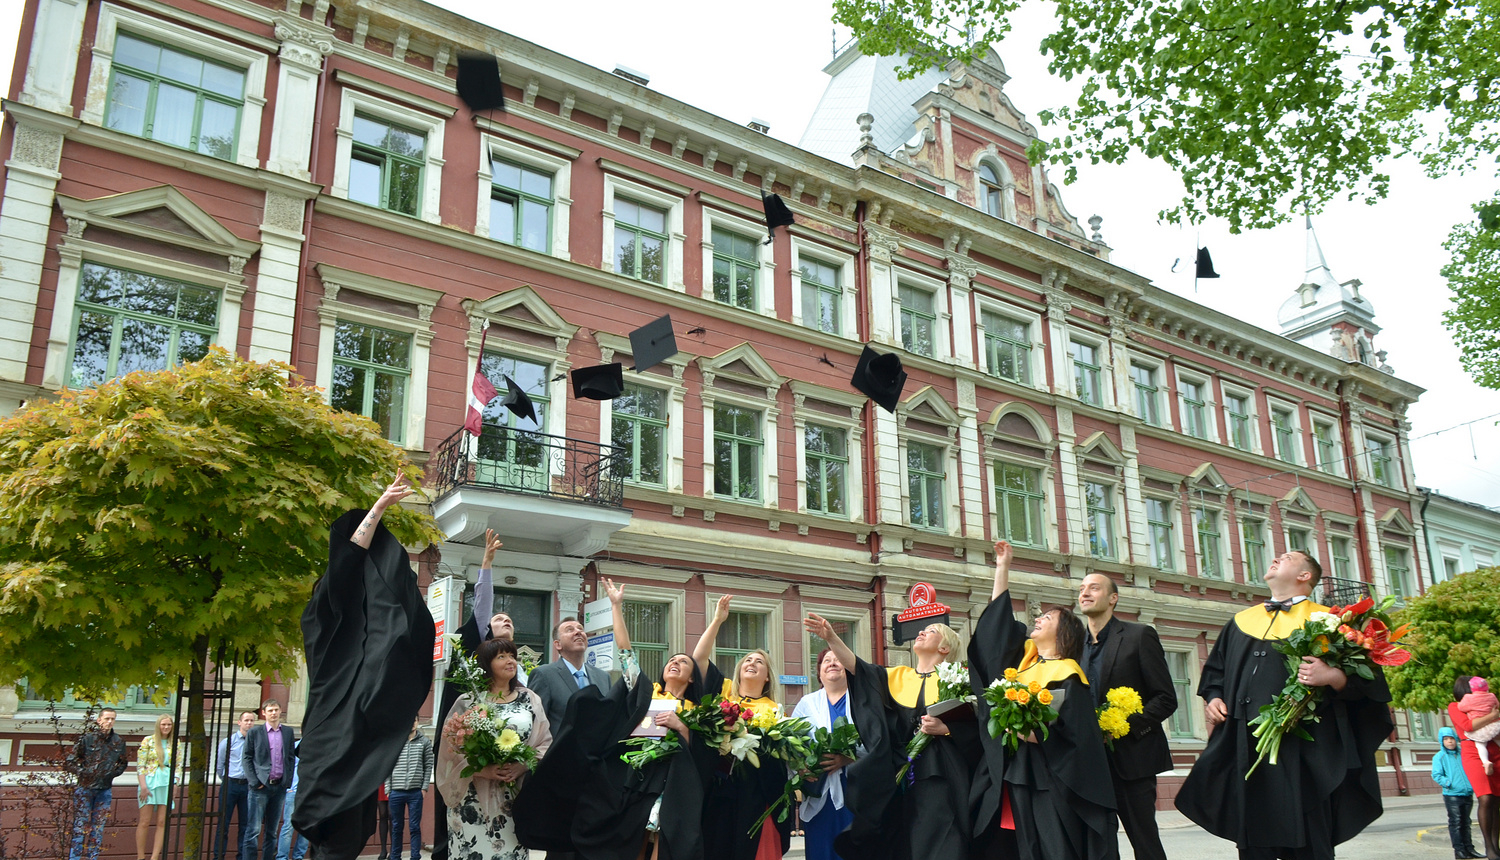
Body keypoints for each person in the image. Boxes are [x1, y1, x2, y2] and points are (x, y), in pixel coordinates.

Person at [1176, 550, 1393, 859]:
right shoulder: (1240, 622)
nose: (1275, 558)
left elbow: (1369, 685)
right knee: (1253, 836)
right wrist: (1214, 698)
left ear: (1305, 576)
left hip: (1306, 751)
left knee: (1308, 834)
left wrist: (1332, 676)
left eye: (1287, 556)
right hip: (1247, 745)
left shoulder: (1335, 623)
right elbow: (1216, 672)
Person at [515, 577, 713, 860]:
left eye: (683, 662)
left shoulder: (698, 711)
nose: (674, 663)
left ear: (692, 676)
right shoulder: (645, 695)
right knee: (630, 843)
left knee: (664, 841)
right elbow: (626, 655)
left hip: (672, 786)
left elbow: (703, 755)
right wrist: (616, 607)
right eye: (671, 660)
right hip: (632, 782)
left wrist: (681, 725)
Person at [293, 472, 435, 860]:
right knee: (334, 838)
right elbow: (347, 562)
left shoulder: (370, 641)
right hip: (330, 744)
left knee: (354, 834)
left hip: (358, 748)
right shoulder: (326, 619)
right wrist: (379, 507)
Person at [969, 540, 1118, 860]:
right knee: (1023, 849)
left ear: (1065, 632)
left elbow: (1078, 737)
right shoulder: (1023, 668)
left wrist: (1036, 736)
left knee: (1054, 848)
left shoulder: (1068, 673)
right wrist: (1002, 568)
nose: (1037, 619)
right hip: (1015, 773)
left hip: (1052, 779)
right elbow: (996, 628)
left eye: (1047, 618)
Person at [802, 608, 980, 860]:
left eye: (930, 631)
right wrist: (830, 637)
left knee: (938, 841)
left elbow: (978, 729)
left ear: (944, 648)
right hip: (897, 775)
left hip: (941, 775)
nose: (920, 631)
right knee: (898, 842)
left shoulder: (960, 681)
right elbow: (857, 668)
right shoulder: (897, 676)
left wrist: (947, 729)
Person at [433, 529, 527, 860]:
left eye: (510, 621)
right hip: (472, 770)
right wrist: (486, 564)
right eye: (498, 620)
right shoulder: (474, 653)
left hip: (509, 779)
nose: (504, 621)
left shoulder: (524, 676)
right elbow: (482, 611)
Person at [1077, 572, 1177, 860]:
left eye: (1094, 588)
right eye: (1082, 589)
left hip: (1133, 760)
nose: (1085, 593)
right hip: (1089, 763)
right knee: (1098, 845)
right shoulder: (1072, 648)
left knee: (1144, 843)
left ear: (1113, 598)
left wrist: (1122, 727)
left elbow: (1166, 698)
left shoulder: (1139, 635)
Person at [436, 637, 552, 860]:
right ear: (486, 665)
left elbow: (545, 742)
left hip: (513, 798)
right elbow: (449, 750)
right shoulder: (469, 701)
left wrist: (523, 765)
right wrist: (482, 770)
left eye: (512, 656)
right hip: (471, 800)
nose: (510, 661)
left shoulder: (530, 699)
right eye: (501, 656)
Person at [698, 595, 792, 860]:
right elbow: (699, 659)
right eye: (748, 661)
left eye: (759, 662)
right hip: (721, 789)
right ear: (739, 671)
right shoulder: (725, 691)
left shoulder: (775, 709)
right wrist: (717, 620)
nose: (752, 663)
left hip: (756, 793)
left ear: (766, 677)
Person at [789, 648, 858, 860]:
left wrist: (848, 758)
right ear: (819, 672)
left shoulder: (861, 701)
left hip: (855, 792)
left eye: (838, 660)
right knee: (821, 851)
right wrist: (801, 768)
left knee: (854, 849)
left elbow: (877, 741)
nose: (832, 663)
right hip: (819, 793)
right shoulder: (806, 704)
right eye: (826, 660)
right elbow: (791, 745)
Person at [66, 707, 129, 860]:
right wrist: (84, 773)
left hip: (104, 790)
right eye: (107, 718)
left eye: (112, 719)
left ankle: (92, 858)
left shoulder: (118, 742)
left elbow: (123, 764)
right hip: (85, 788)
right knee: (80, 827)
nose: (109, 722)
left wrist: (112, 774)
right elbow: (70, 762)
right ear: (99, 720)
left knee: (98, 829)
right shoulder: (87, 739)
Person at [529, 615, 611, 731]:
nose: (578, 632)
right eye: (570, 630)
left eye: (580, 629)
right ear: (558, 644)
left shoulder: (603, 677)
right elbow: (536, 723)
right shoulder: (544, 675)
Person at [1450, 675, 1500, 860]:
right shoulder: (1454, 706)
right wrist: (1492, 716)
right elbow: (1467, 726)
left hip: (1494, 749)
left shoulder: (1485, 703)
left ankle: (1496, 845)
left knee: (1496, 800)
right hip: (1472, 752)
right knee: (1485, 797)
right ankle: (1489, 847)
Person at [244, 700, 297, 860]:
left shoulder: (287, 732)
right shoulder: (255, 733)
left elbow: (290, 757)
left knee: (272, 831)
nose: (273, 713)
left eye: (276, 709)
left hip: (279, 787)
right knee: (253, 830)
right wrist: (254, 782)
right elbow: (246, 758)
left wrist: (287, 782)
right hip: (260, 787)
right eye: (270, 710)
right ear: (264, 713)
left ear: (280, 711)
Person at [386, 719, 434, 860]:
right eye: (410, 720)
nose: (412, 723)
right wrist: (388, 788)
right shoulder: (396, 742)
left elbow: (428, 765)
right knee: (396, 827)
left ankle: (415, 857)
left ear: (418, 722)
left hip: (415, 792)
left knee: (414, 827)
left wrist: (424, 788)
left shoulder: (424, 742)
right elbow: (387, 766)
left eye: (414, 720)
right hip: (396, 791)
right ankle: (395, 856)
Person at [1433, 726, 1482, 859]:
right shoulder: (1440, 757)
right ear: (1441, 741)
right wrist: (1448, 783)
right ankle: (1459, 850)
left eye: (1452, 739)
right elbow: (1436, 775)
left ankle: (1469, 849)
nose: (1450, 742)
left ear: (1456, 739)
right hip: (1452, 795)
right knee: (1456, 822)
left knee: (1466, 822)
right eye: (1446, 739)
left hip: (1467, 793)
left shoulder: (1463, 753)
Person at [135, 714, 176, 860]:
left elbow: (177, 767)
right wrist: (143, 786)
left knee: (161, 821)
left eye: (169, 725)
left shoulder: (175, 742)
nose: (166, 727)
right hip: (149, 781)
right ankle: (140, 856)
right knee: (145, 821)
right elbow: (141, 765)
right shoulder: (148, 740)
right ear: (158, 725)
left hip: (166, 783)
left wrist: (175, 786)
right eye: (163, 724)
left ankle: (154, 857)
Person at [216, 711, 256, 860]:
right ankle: (218, 856)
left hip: (248, 786)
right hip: (230, 784)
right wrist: (226, 779)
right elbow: (220, 765)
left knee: (245, 825)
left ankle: (242, 856)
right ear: (239, 722)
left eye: (252, 720)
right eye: (246, 720)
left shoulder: (255, 742)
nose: (249, 723)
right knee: (223, 824)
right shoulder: (229, 741)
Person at [1460, 678, 1500, 774]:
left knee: (1481, 745)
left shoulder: (1468, 698)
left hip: (1480, 728)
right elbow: (1497, 705)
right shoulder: (1491, 696)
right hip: (1494, 724)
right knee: (1498, 740)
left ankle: (1485, 762)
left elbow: (1461, 707)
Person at [275, 758, 308, 860]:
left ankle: (298, 857)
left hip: (309, 793)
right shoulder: (294, 748)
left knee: (306, 828)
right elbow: (285, 768)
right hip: (293, 792)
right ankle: (282, 857)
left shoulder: (319, 749)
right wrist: (288, 788)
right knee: (288, 827)